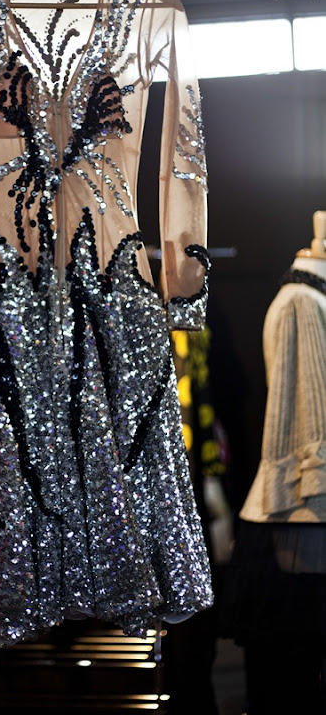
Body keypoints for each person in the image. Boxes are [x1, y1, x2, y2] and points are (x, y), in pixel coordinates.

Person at [219, 211, 326, 714]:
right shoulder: (303, 301)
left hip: (305, 515)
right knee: (293, 674)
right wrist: (316, 477)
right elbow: (308, 420)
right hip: (301, 516)